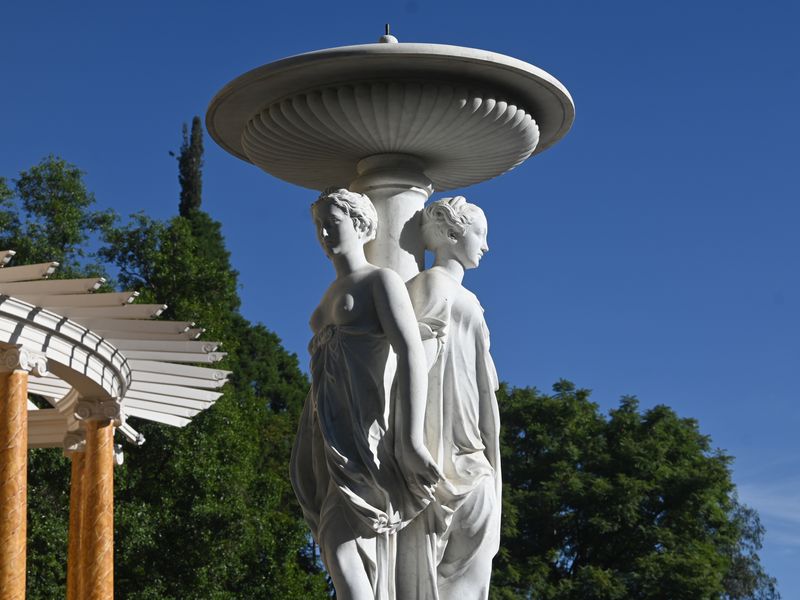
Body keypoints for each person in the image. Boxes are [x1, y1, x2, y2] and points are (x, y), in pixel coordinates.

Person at [290, 188, 441, 600]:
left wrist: (410, 440)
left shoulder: (381, 280)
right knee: (333, 542)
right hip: (327, 435)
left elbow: (410, 351)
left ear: (360, 225)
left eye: (332, 223)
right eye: (318, 226)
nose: (324, 233)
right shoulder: (329, 295)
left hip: (365, 432)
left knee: (338, 542)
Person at [397, 196, 501, 600]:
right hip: (445, 452)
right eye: (481, 234)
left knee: (471, 572)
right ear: (453, 233)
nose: (486, 246)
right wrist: (409, 441)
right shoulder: (432, 285)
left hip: (469, 450)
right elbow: (414, 363)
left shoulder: (466, 297)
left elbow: (482, 385)